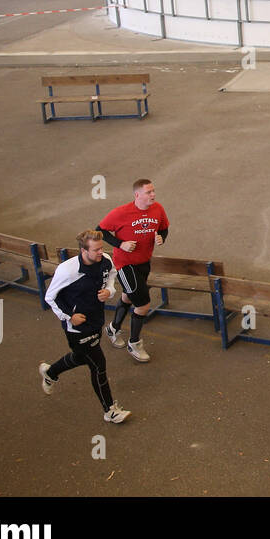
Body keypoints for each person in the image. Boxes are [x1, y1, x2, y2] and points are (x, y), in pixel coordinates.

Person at [40, 230, 131, 423]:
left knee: (82, 357)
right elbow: (50, 297)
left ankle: (50, 372)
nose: (101, 252)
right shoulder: (68, 270)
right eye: (96, 249)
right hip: (77, 327)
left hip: (96, 319)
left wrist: (109, 291)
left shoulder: (105, 260)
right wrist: (69, 316)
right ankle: (110, 411)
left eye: (101, 248)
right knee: (98, 365)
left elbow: (112, 277)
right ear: (83, 250)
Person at [98, 179, 169, 362]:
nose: (152, 195)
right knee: (143, 303)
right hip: (125, 264)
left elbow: (164, 228)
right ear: (137, 195)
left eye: (153, 191)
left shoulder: (158, 209)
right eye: (148, 192)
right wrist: (120, 244)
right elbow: (101, 231)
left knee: (128, 297)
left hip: (144, 262)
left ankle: (113, 328)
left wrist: (161, 238)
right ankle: (135, 343)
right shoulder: (121, 212)